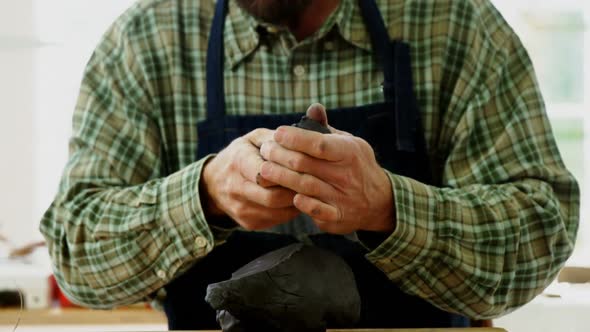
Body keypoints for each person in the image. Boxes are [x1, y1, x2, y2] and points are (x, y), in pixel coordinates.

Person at [40, 0, 580, 329]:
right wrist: (202, 198)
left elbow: (539, 235)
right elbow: (76, 252)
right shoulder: (146, 41)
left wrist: (388, 207)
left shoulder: (456, 26)